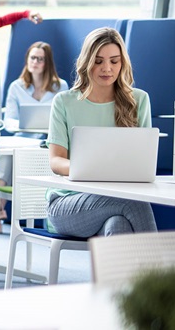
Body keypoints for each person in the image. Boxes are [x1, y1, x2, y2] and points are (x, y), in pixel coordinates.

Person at [45, 27, 157, 237]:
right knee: (132, 203)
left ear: (122, 62)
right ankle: (160, 270)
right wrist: (92, 169)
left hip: (117, 198)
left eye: (114, 61)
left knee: (118, 225)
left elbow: (144, 161)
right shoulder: (64, 102)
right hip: (67, 203)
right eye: (98, 61)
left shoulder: (139, 100)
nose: (107, 68)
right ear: (87, 62)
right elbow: (56, 162)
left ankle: (133, 271)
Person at [0, 41, 69, 233]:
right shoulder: (16, 87)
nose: (35, 62)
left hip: (46, 141)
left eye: (40, 59)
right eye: (32, 57)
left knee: (17, 151)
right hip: (22, 138)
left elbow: (65, 119)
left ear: (47, 63)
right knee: (3, 152)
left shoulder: (60, 87)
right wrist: (24, 125)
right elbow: (8, 119)